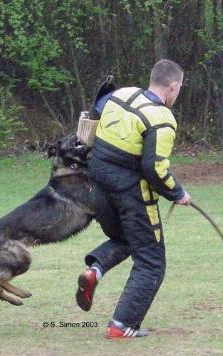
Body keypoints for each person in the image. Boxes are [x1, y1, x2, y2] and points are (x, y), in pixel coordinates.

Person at [75, 59, 191, 339]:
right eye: (179, 90)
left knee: (126, 239)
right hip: (132, 197)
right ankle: (122, 325)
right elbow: (154, 168)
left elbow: (94, 114)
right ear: (172, 87)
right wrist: (177, 193)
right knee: (151, 261)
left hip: (98, 188)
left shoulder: (121, 94)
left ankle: (95, 270)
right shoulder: (162, 119)